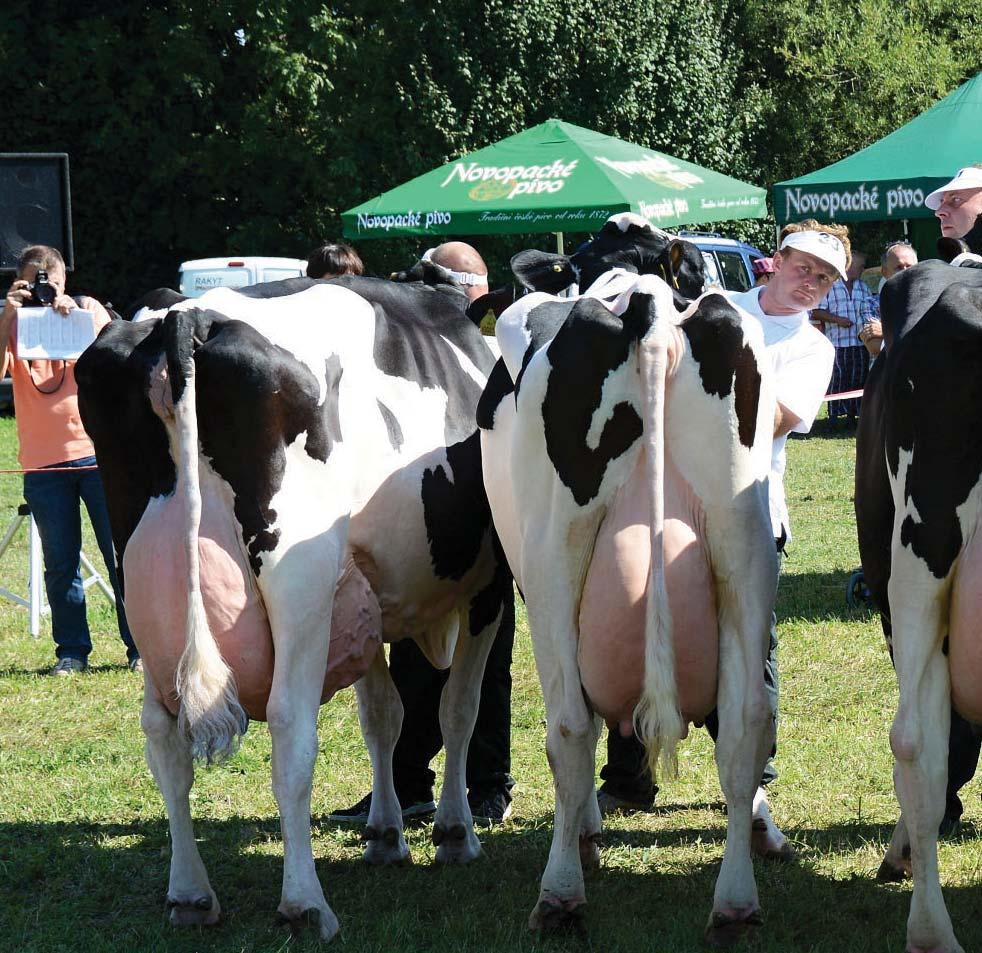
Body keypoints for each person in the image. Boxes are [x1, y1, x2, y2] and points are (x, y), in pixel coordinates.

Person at [599, 221, 838, 860]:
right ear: (775, 261)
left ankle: (752, 779)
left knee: (749, 645)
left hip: (749, 508)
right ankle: (626, 778)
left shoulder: (815, 349)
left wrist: (705, 388)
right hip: (668, 499)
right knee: (639, 618)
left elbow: (784, 415)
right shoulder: (718, 309)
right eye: (804, 266)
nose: (810, 280)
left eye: (824, 277)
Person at [329, 241, 514, 826]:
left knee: (487, 658)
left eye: (442, 284)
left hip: (488, 525)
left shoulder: (498, 346)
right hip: (422, 521)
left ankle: (489, 784)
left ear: (473, 292)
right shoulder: (414, 346)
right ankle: (407, 780)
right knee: (411, 656)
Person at [0, 246, 138, 675]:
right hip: (43, 466)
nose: (44, 290)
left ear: (63, 281)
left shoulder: (86, 309)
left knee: (122, 557)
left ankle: (139, 648)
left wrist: (72, 313)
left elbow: (118, 359)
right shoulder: (14, 324)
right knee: (60, 563)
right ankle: (72, 651)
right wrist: (8, 313)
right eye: (34, 282)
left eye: (50, 281)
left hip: (98, 457)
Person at [810, 249, 876, 427]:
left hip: (860, 343)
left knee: (858, 380)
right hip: (837, 344)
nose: (863, 270)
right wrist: (837, 320)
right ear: (848, 266)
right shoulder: (830, 286)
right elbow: (815, 311)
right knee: (837, 381)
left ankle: (853, 417)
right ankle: (833, 418)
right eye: (860, 267)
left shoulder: (864, 287)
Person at [861, 241, 918, 357]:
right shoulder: (872, 303)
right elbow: (875, 346)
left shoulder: (930, 300)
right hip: (887, 374)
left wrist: (885, 332)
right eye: (899, 267)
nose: (905, 271)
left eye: (909, 266)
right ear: (884, 272)